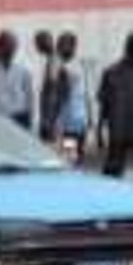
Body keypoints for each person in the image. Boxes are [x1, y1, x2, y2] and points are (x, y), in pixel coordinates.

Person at [98, 33, 133, 177]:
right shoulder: (110, 72)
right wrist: (100, 129)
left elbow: (103, 104)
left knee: (113, 170)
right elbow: (104, 103)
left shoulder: (110, 72)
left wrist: (100, 129)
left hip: (117, 131)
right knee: (113, 170)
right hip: (118, 132)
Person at [55, 32, 90, 164]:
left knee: (70, 158)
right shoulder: (78, 65)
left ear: (72, 47)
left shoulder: (64, 68)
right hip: (78, 119)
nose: (59, 48)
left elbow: (61, 95)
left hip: (71, 121)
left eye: (62, 45)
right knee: (76, 156)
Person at [34, 30, 64, 142]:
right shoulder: (54, 58)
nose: (36, 47)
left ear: (44, 43)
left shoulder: (54, 60)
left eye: (37, 44)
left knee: (55, 146)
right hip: (55, 112)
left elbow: (52, 88)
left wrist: (49, 119)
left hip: (53, 113)